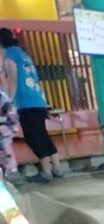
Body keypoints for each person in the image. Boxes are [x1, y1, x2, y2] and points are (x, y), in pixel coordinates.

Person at [0, 28, 61, 182]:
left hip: (25, 102)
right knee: (42, 134)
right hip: (37, 100)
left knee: (33, 136)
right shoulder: (24, 54)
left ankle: (46, 172)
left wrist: (9, 101)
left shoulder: (10, 56)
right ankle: (57, 168)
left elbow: (13, 78)